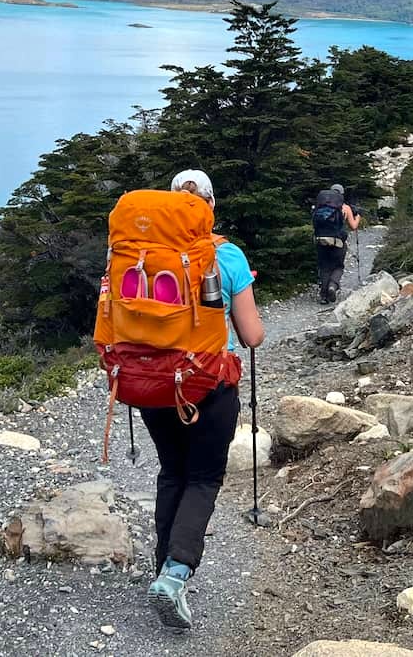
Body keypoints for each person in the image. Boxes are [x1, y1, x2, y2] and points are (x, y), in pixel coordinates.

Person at [140, 168, 265, 630]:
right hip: (209, 386)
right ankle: (175, 574)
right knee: (203, 478)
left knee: (172, 472)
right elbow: (251, 335)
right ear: (210, 206)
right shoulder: (226, 255)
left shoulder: (143, 254)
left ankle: (162, 567)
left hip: (152, 386)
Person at [311, 183, 361, 304]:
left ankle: (324, 296)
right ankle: (333, 285)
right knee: (338, 266)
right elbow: (353, 226)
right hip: (338, 242)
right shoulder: (345, 208)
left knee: (324, 267)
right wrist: (358, 215)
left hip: (321, 240)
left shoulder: (320, 206)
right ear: (341, 194)